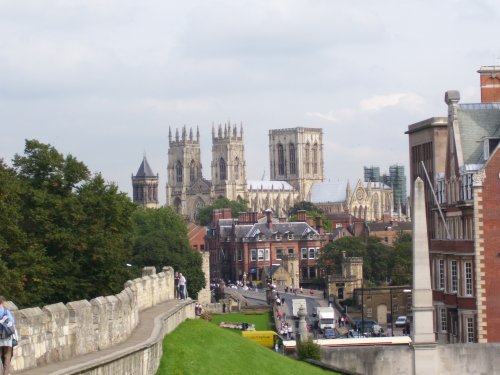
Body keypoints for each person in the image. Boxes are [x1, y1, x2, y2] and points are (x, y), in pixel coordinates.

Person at [0, 296, 16, 375]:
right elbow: (13, 325)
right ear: (2, 302)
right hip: (7, 339)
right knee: (7, 357)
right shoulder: (6, 312)